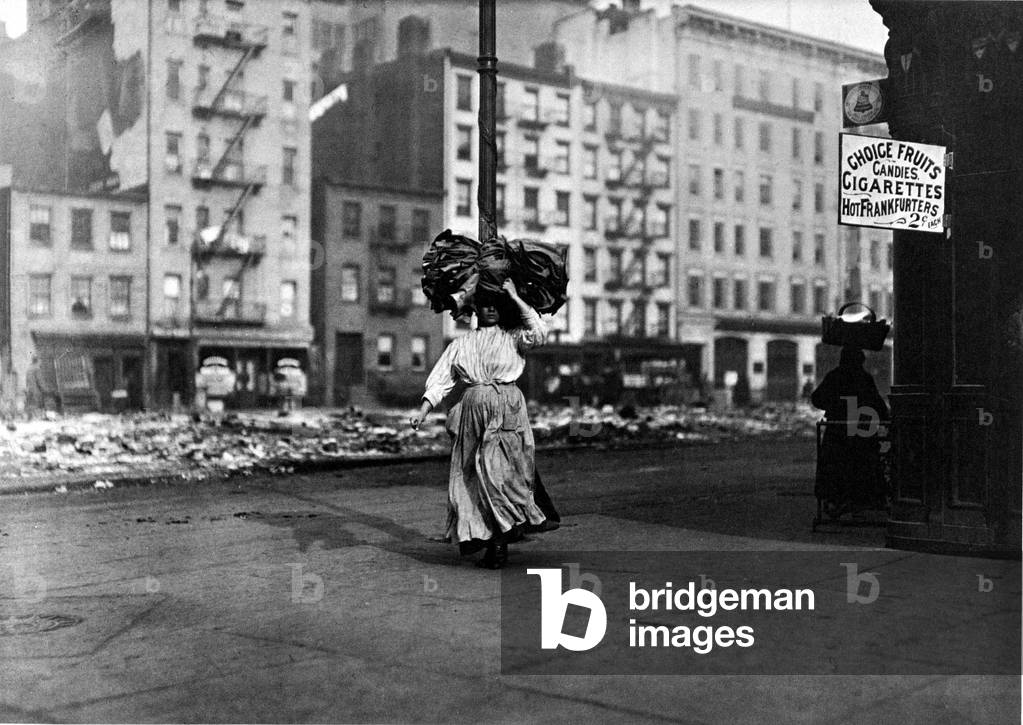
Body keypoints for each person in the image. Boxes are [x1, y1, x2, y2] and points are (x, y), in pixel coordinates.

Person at [410, 278, 558, 568]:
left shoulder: (513, 337)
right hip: (473, 413)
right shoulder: (462, 344)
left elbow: (539, 333)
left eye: (495, 305)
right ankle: (491, 540)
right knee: (474, 478)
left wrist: (514, 295)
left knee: (499, 475)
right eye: (484, 304)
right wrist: (423, 410)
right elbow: (441, 379)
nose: (490, 309)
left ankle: (500, 543)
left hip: (507, 410)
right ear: (475, 309)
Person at [811, 346, 890, 512]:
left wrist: (834, 405)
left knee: (836, 465)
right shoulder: (864, 378)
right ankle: (862, 500)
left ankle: (836, 499)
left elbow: (817, 399)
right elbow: (877, 403)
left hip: (838, 431)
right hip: (861, 431)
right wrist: (885, 419)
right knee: (862, 465)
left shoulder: (834, 376)